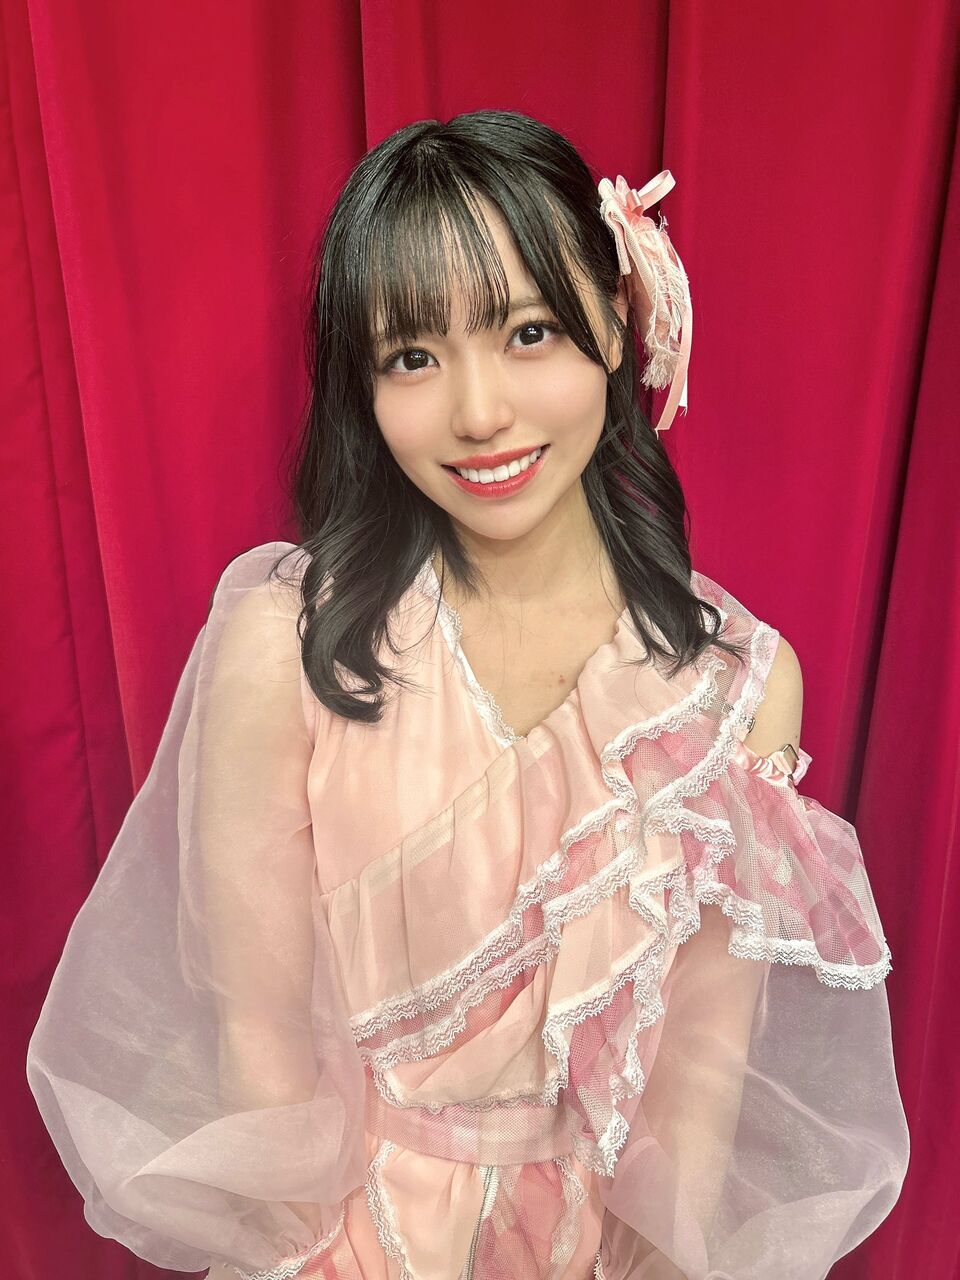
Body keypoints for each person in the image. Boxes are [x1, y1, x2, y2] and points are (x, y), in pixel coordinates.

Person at [26, 109, 909, 1280]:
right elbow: (260, 1040)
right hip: (351, 1245)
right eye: (413, 357)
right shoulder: (286, 645)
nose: (480, 411)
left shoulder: (733, 685)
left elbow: (696, 1095)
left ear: (617, 319)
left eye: (528, 332)